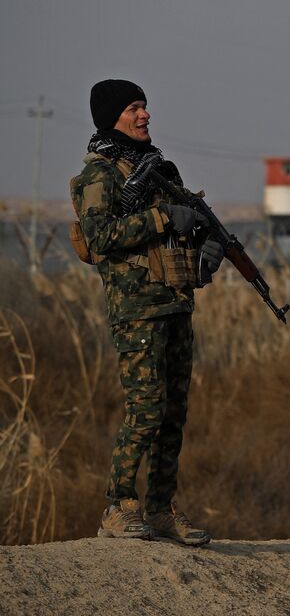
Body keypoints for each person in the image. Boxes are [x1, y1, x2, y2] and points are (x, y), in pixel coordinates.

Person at [69, 79, 223, 545]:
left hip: (176, 304)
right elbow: (99, 239)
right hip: (136, 310)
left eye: (145, 107)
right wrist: (160, 219)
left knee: (174, 412)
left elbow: (191, 223)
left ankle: (159, 509)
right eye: (134, 108)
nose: (145, 115)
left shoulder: (158, 170)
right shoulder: (100, 176)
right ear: (112, 116)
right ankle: (118, 505)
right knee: (146, 410)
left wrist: (209, 246)